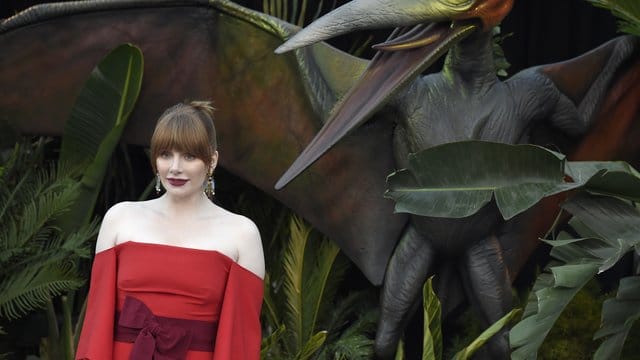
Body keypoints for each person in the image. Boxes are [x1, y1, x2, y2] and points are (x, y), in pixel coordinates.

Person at [76, 101, 265, 359]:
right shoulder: (119, 219)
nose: (175, 167)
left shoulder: (242, 234)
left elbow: (238, 344)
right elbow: (96, 328)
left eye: (189, 156)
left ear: (212, 161)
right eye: (166, 154)